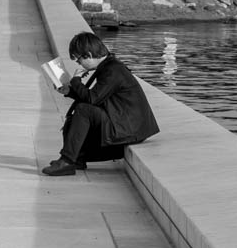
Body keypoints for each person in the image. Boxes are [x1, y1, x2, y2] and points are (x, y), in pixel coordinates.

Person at [42, 32, 159, 177]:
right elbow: (95, 97)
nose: (79, 64)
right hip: (123, 123)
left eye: (79, 60)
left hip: (130, 130)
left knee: (83, 110)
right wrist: (69, 91)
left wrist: (76, 81)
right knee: (78, 113)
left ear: (89, 55)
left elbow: (92, 99)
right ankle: (76, 158)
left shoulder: (113, 71)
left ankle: (67, 161)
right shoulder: (109, 66)